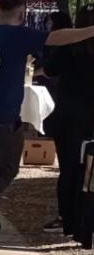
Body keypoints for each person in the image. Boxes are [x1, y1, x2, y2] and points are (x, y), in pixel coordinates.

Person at [0, 0, 94, 234]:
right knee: (7, 169)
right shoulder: (19, 36)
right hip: (2, 114)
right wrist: (90, 30)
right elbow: (58, 38)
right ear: (21, 14)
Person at [39, 12, 94, 236]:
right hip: (89, 115)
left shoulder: (70, 47)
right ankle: (84, 217)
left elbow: (51, 70)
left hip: (69, 114)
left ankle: (66, 217)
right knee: (88, 170)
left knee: (68, 168)